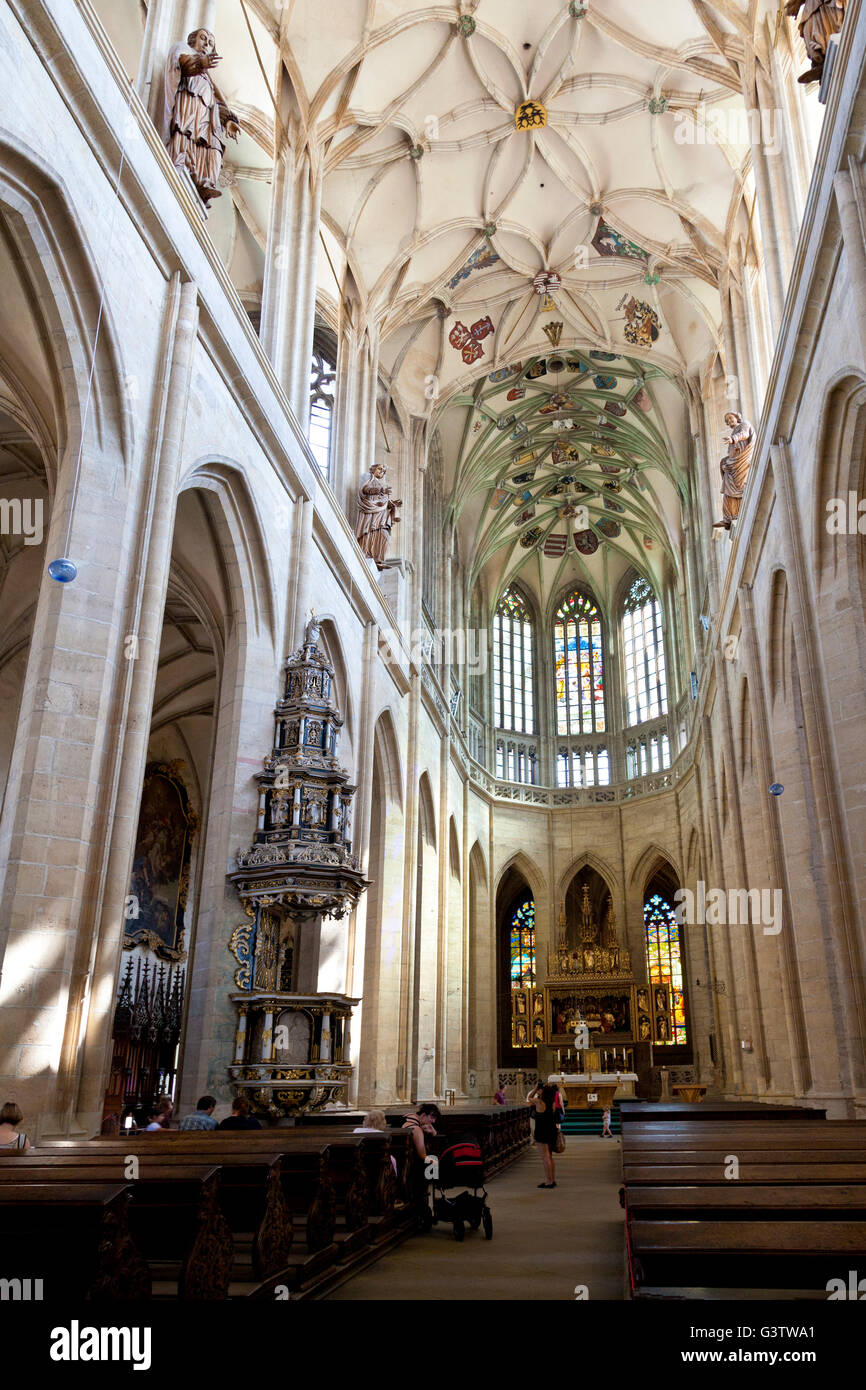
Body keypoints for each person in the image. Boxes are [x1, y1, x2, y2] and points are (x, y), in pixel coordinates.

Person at [163, 29, 239, 207]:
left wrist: (228, 119)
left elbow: (217, 100)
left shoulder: (208, 78)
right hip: (190, 105)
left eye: (210, 43)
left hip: (206, 117)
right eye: (203, 38)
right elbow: (183, 63)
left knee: (212, 145)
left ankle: (204, 181)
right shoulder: (182, 49)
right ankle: (181, 164)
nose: (206, 44)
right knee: (186, 133)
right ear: (192, 40)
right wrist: (200, 62)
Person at [527, 1081, 558, 1188]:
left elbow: (529, 1098)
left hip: (542, 1131)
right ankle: (552, 1179)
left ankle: (549, 1181)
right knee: (550, 1156)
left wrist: (535, 1089)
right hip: (551, 1130)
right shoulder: (552, 1102)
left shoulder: (539, 1102)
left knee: (545, 1157)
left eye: (541, 1090)